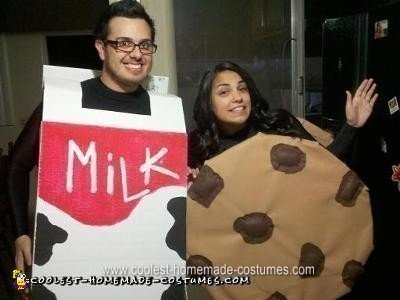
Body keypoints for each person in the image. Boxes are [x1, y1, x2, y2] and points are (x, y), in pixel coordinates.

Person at [8, 0, 157, 274]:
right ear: (101, 48)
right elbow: (16, 166)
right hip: (71, 255)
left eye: (145, 45)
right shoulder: (64, 103)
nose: (136, 53)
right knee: (22, 284)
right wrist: (20, 234)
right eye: (123, 43)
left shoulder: (162, 110)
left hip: (139, 256)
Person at [188, 61, 377, 169]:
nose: (238, 97)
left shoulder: (279, 124)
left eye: (242, 88)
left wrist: (351, 126)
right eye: (224, 92)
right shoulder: (197, 145)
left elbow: (325, 165)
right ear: (209, 103)